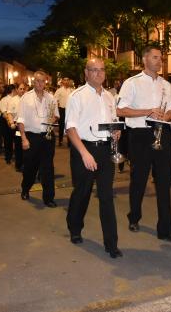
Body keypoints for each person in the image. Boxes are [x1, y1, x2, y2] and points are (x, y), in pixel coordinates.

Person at [117, 45, 171, 242]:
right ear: (144, 60)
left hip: (163, 133)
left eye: (160, 58)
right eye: (155, 57)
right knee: (139, 180)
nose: (159, 61)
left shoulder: (166, 84)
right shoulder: (132, 83)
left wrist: (168, 115)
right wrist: (148, 111)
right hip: (140, 135)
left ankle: (165, 228)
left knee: (163, 182)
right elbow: (121, 110)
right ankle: (134, 217)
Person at [65, 58, 122, 258]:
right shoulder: (76, 96)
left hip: (106, 151)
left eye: (101, 70)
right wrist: (84, 153)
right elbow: (70, 129)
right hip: (85, 150)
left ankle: (111, 243)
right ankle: (74, 228)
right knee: (82, 193)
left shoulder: (109, 97)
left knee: (106, 196)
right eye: (94, 70)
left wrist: (116, 132)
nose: (98, 73)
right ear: (86, 73)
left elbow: (113, 121)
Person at [17, 71, 59, 207]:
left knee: (48, 168)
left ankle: (49, 198)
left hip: (47, 137)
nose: (40, 83)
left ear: (45, 82)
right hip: (31, 137)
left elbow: (56, 115)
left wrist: (52, 120)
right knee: (30, 167)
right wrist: (24, 138)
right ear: (33, 82)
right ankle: (25, 188)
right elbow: (21, 120)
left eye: (42, 81)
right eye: (37, 81)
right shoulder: (26, 98)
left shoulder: (51, 98)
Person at [54, 78, 73, 146]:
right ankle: (60, 140)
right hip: (62, 109)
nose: (66, 81)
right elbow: (55, 100)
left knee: (69, 126)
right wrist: (56, 111)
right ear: (62, 82)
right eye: (65, 80)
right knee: (61, 126)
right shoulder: (59, 90)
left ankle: (69, 141)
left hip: (70, 110)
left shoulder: (71, 90)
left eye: (68, 80)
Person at [0, 85, 16, 165]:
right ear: (13, 90)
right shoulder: (4, 100)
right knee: (8, 141)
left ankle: (13, 156)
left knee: (14, 140)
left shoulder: (15, 99)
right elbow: (5, 113)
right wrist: (10, 123)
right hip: (7, 123)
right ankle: (8, 157)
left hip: (15, 123)